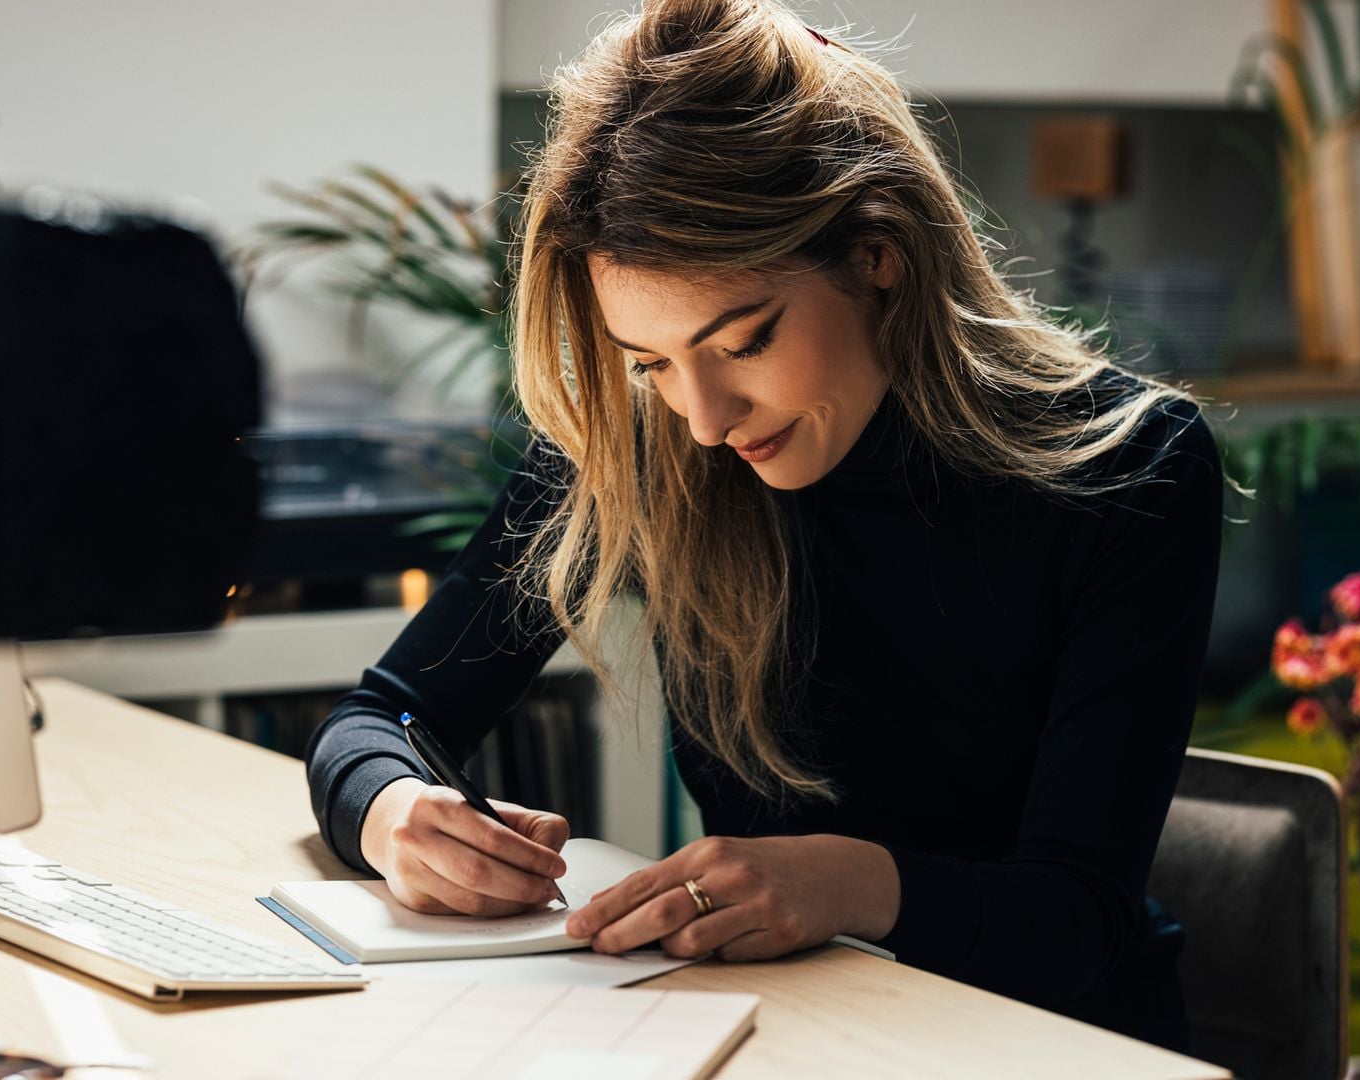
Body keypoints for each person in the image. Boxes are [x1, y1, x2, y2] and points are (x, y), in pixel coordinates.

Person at [306, 0, 1225, 1052]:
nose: (701, 420)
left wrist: (845, 881)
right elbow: (380, 717)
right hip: (786, 1034)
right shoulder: (641, 445)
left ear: (878, 254)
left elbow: (1076, 924)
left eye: (743, 340)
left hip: (1052, 1046)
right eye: (650, 362)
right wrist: (394, 816)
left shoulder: (1132, 463)